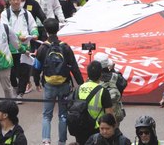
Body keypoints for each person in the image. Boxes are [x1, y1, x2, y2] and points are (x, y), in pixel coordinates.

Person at [33, 17, 84, 145]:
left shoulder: (43, 48)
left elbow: (36, 67)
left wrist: (36, 82)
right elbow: (74, 67)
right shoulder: (65, 48)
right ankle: (62, 141)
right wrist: (81, 84)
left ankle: (46, 140)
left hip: (49, 84)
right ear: (58, 29)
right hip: (64, 84)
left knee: (47, 115)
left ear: (45, 30)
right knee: (63, 115)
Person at [72, 61, 114, 145]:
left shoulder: (78, 89)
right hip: (96, 129)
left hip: (80, 128)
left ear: (88, 74)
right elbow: (109, 114)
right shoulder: (103, 91)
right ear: (100, 74)